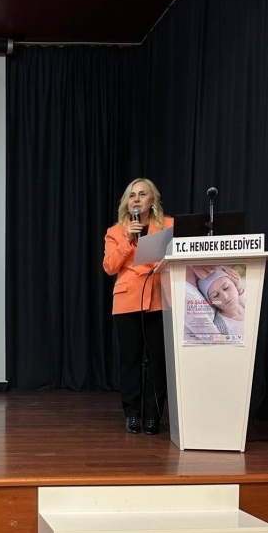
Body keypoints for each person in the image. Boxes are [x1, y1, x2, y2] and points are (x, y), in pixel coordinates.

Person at [103, 178, 173, 435]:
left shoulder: (169, 226)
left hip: (159, 299)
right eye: (132, 195)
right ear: (127, 202)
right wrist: (128, 240)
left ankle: (153, 415)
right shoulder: (116, 231)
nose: (136, 199)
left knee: (157, 362)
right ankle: (132, 414)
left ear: (152, 199)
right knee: (130, 361)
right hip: (127, 301)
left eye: (142, 194)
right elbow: (110, 267)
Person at [196, 268, 246, 338]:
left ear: (235, 284)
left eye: (226, 288)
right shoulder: (219, 329)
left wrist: (240, 289)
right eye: (215, 295)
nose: (225, 297)